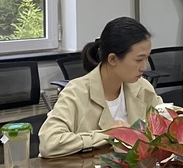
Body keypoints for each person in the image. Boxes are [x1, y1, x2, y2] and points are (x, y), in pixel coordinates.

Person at [39, 17, 163, 158]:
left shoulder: (142, 87)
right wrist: (109, 134)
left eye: (147, 58)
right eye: (139, 59)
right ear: (113, 59)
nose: (144, 67)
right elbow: (49, 143)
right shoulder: (76, 92)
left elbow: (165, 118)